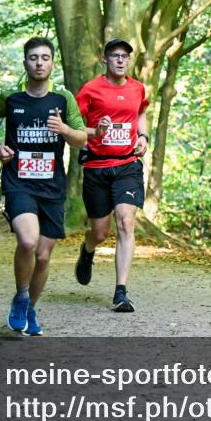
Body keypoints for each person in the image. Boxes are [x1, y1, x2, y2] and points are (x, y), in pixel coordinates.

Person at [0, 38, 86, 335]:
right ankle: (21, 296)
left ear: (53, 63)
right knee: (27, 241)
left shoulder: (63, 99)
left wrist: (64, 130)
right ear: (25, 63)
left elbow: (82, 139)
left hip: (52, 186)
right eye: (32, 58)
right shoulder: (11, 97)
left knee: (42, 255)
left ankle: (30, 308)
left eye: (44, 58)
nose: (39, 63)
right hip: (19, 182)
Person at [74, 38, 149, 312]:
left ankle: (121, 292)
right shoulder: (90, 90)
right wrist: (95, 130)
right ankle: (88, 250)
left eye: (124, 56)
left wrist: (143, 136)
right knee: (100, 232)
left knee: (126, 222)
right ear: (104, 59)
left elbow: (141, 113)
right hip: (96, 166)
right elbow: (74, 125)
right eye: (115, 55)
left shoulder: (137, 88)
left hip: (127, 165)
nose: (120, 60)